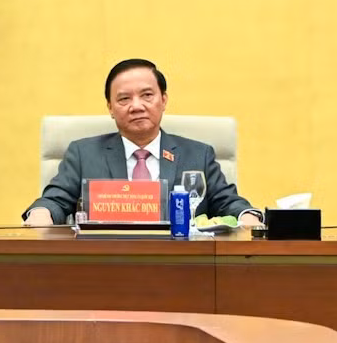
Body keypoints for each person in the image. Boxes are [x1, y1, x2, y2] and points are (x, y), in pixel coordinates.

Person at [24, 58, 259, 227]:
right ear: (110, 108)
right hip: (105, 265)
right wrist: (41, 213)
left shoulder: (198, 154)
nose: (136, 106)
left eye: (147, 95)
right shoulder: (83, 153)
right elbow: (56, 199)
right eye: (124, 98)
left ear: (164, 100)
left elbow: (228, 202)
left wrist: (247, 216)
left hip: (183, 268)